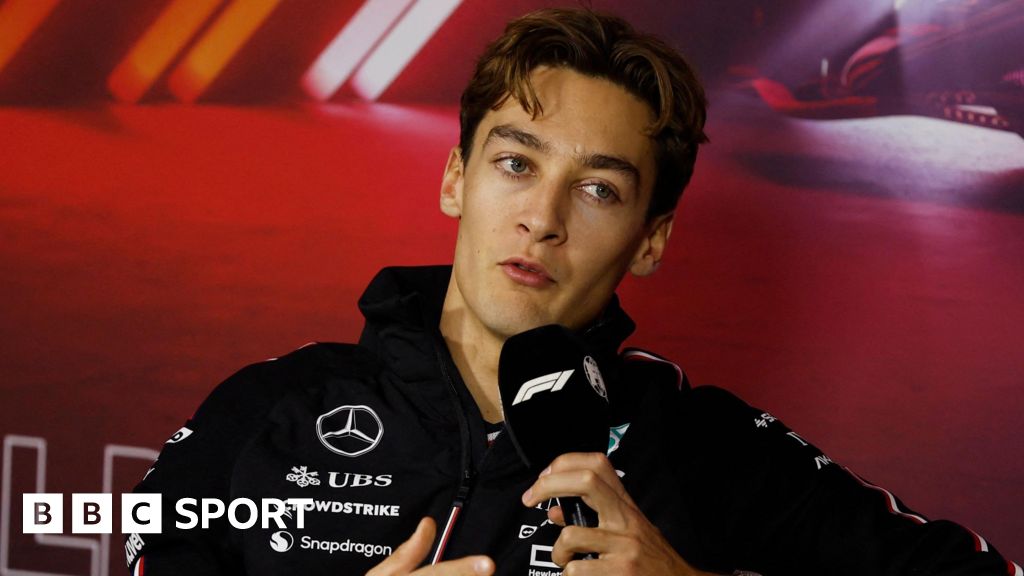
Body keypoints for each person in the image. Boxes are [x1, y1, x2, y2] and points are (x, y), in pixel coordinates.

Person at [127, 8, 1018, 576]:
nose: (542, 219)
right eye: (516, 163)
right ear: (456, 180)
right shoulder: (267, 413)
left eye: (599, 189)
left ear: (652, 239)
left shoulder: (706, 450)